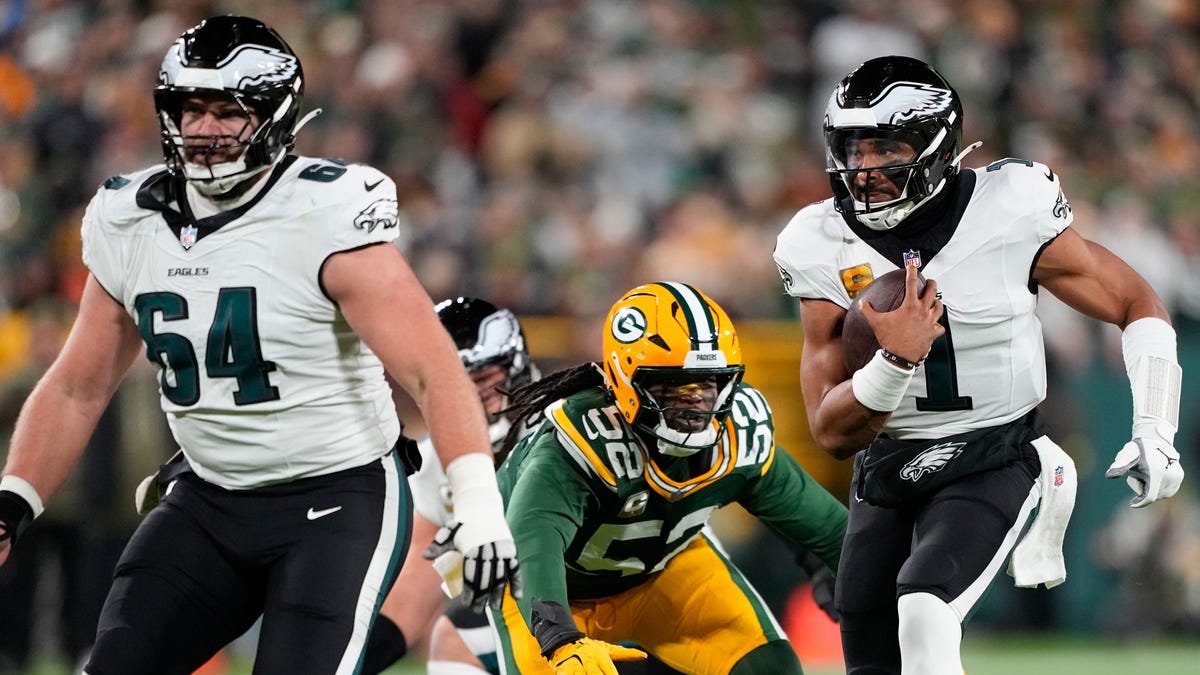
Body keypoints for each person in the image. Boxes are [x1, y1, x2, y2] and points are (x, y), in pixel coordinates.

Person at [0, 15, 520, 675]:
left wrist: (477, 504)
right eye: (191, 109)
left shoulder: (323, 214)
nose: (205, 128)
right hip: (210, 495)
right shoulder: (129, 219)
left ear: (273, 115)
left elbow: (432, 370)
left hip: (336, 501)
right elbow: (78, 384)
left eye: (227, 110)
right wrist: (14, 499)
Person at [773, 55, 1185, 675]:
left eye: (886, 147)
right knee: (868, 648)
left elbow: (1135, 302)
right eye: (853, 148)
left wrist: (1156, 425)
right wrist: (894, 359)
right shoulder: (817, 241)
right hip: (890, 461)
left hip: (996, 447)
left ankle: (1048, 471)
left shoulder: (1010, 206)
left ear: (936, 145)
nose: (865, 170)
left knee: (926, 609)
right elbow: (831, 431)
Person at [462, 281, 848, 674]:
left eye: (707, 383)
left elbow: (829, 528)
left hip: (663, 572)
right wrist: (559, 638)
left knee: (770, 668)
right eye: (672, 384)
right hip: (551, 590)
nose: (693, 400)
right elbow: (530, 542)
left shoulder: (738, 436)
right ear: (625, 383)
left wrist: (870, 583)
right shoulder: (580, 442)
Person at [363, 296, 540, 674]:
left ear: (516, 368)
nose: (467, 396)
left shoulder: (561, 429)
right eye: (453, 381)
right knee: (459, 628)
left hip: (620, 604)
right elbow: (410, 598)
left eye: (482, 379)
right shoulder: (435, 463)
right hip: (539, 614)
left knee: (457, 637)